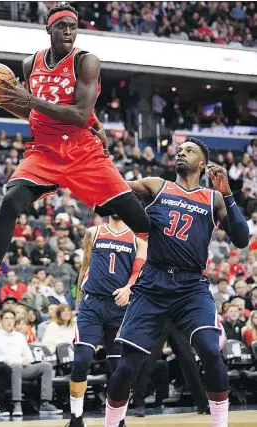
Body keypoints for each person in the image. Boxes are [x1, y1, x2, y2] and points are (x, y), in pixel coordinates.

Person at [0, 3, 152, 320]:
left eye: (73, 26)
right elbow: (33, 111)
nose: (68, 31)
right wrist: (10, 102)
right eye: (61, 25)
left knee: (141, 222)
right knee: (10, 202)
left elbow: (77, 114)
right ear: (48, 28)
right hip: (44, 150)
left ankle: (162, 276)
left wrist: (32, 101)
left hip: (82, 150)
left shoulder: (86, 61)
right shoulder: (29, 63)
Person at [102, 137, 249, 427]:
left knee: (208, 348)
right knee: (128, 365)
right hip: (153, 284)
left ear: (203, 164)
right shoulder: (157, 186)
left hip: (191, 286)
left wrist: (229, 195)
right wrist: (100, 157)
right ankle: (111, 423)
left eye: (189, 151)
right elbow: (116, 187)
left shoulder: (212, 198)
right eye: (179, 150)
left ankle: (220, 423)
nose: (181, 153)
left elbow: (242, 239)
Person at [67, 215, 146, 427]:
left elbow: (139, 271)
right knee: (81, 360)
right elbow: (84, 266)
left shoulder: (137, 239)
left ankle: (118, 419)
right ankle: (76, 417)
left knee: (121, 368)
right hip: (92, 304)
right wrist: (77, 301)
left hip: (119, 308)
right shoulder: (93, 233)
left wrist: (129, 288)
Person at [0, 309, 62, 416]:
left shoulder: (19, 336)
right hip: (6, 369)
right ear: (1, 320)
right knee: (16, 366)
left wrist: (26, 360)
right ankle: (17, 404)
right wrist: (6, 360)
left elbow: (29, 356)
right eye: (6, 318)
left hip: (23, 367)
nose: (9, 321)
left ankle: (45, 403)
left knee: (46, 366)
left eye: (12, 318)